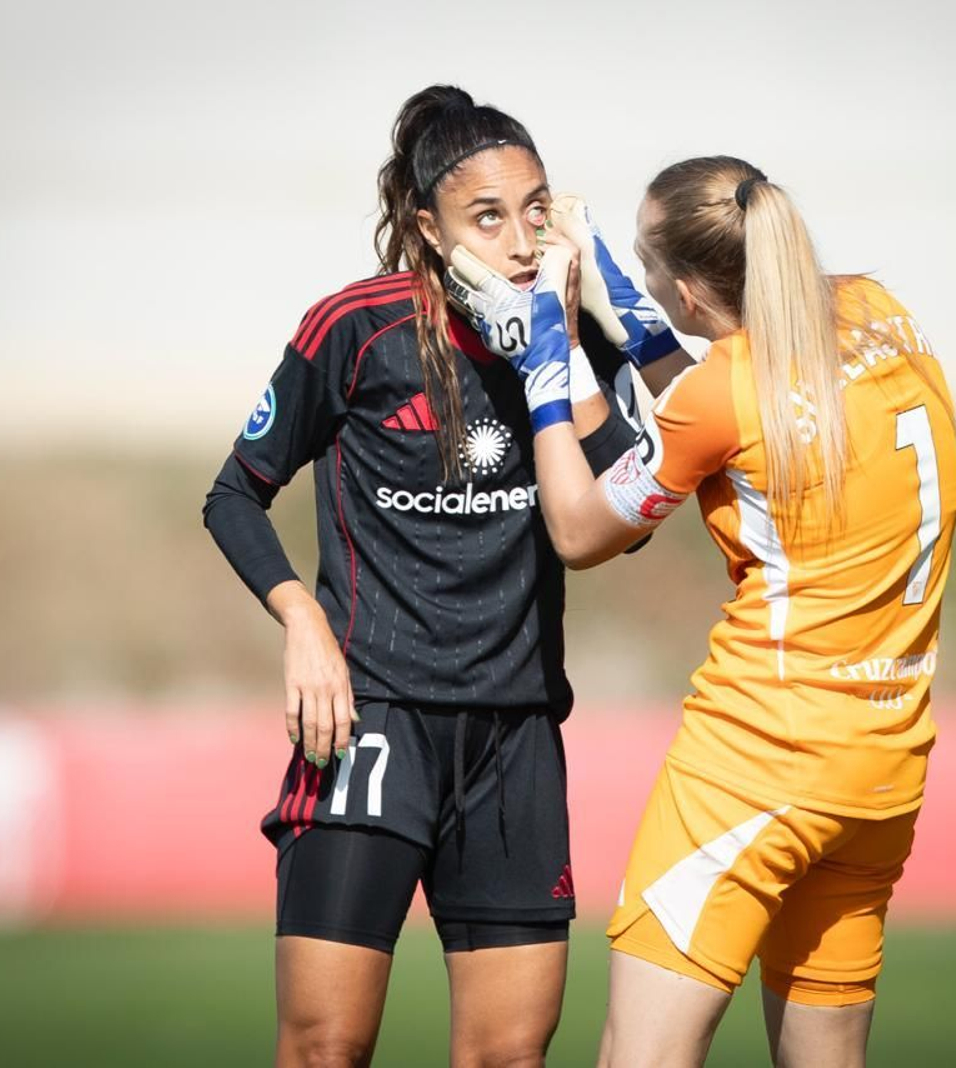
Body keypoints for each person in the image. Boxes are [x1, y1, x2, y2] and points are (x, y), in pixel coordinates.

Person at [201, 85, 679, 1067]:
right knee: (325, 1044)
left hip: (516, 738)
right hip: (370, 723)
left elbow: (623, 519)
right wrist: (302, 622)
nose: (517, 239)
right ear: (426, 226)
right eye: (487, 215)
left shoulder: (569, 338)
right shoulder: (354, 329)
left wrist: (569, 339)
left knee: (507, 1056)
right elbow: (232, 497)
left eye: (534, 210)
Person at [451, 156, 956, 1067]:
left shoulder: (723, 389)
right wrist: (613, 279)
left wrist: (545, 356)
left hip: (759, 761)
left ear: (687, 292)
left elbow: (577, 528)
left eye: (653, 279)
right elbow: (738, 388)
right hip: (884, 769)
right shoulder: (880, 312)